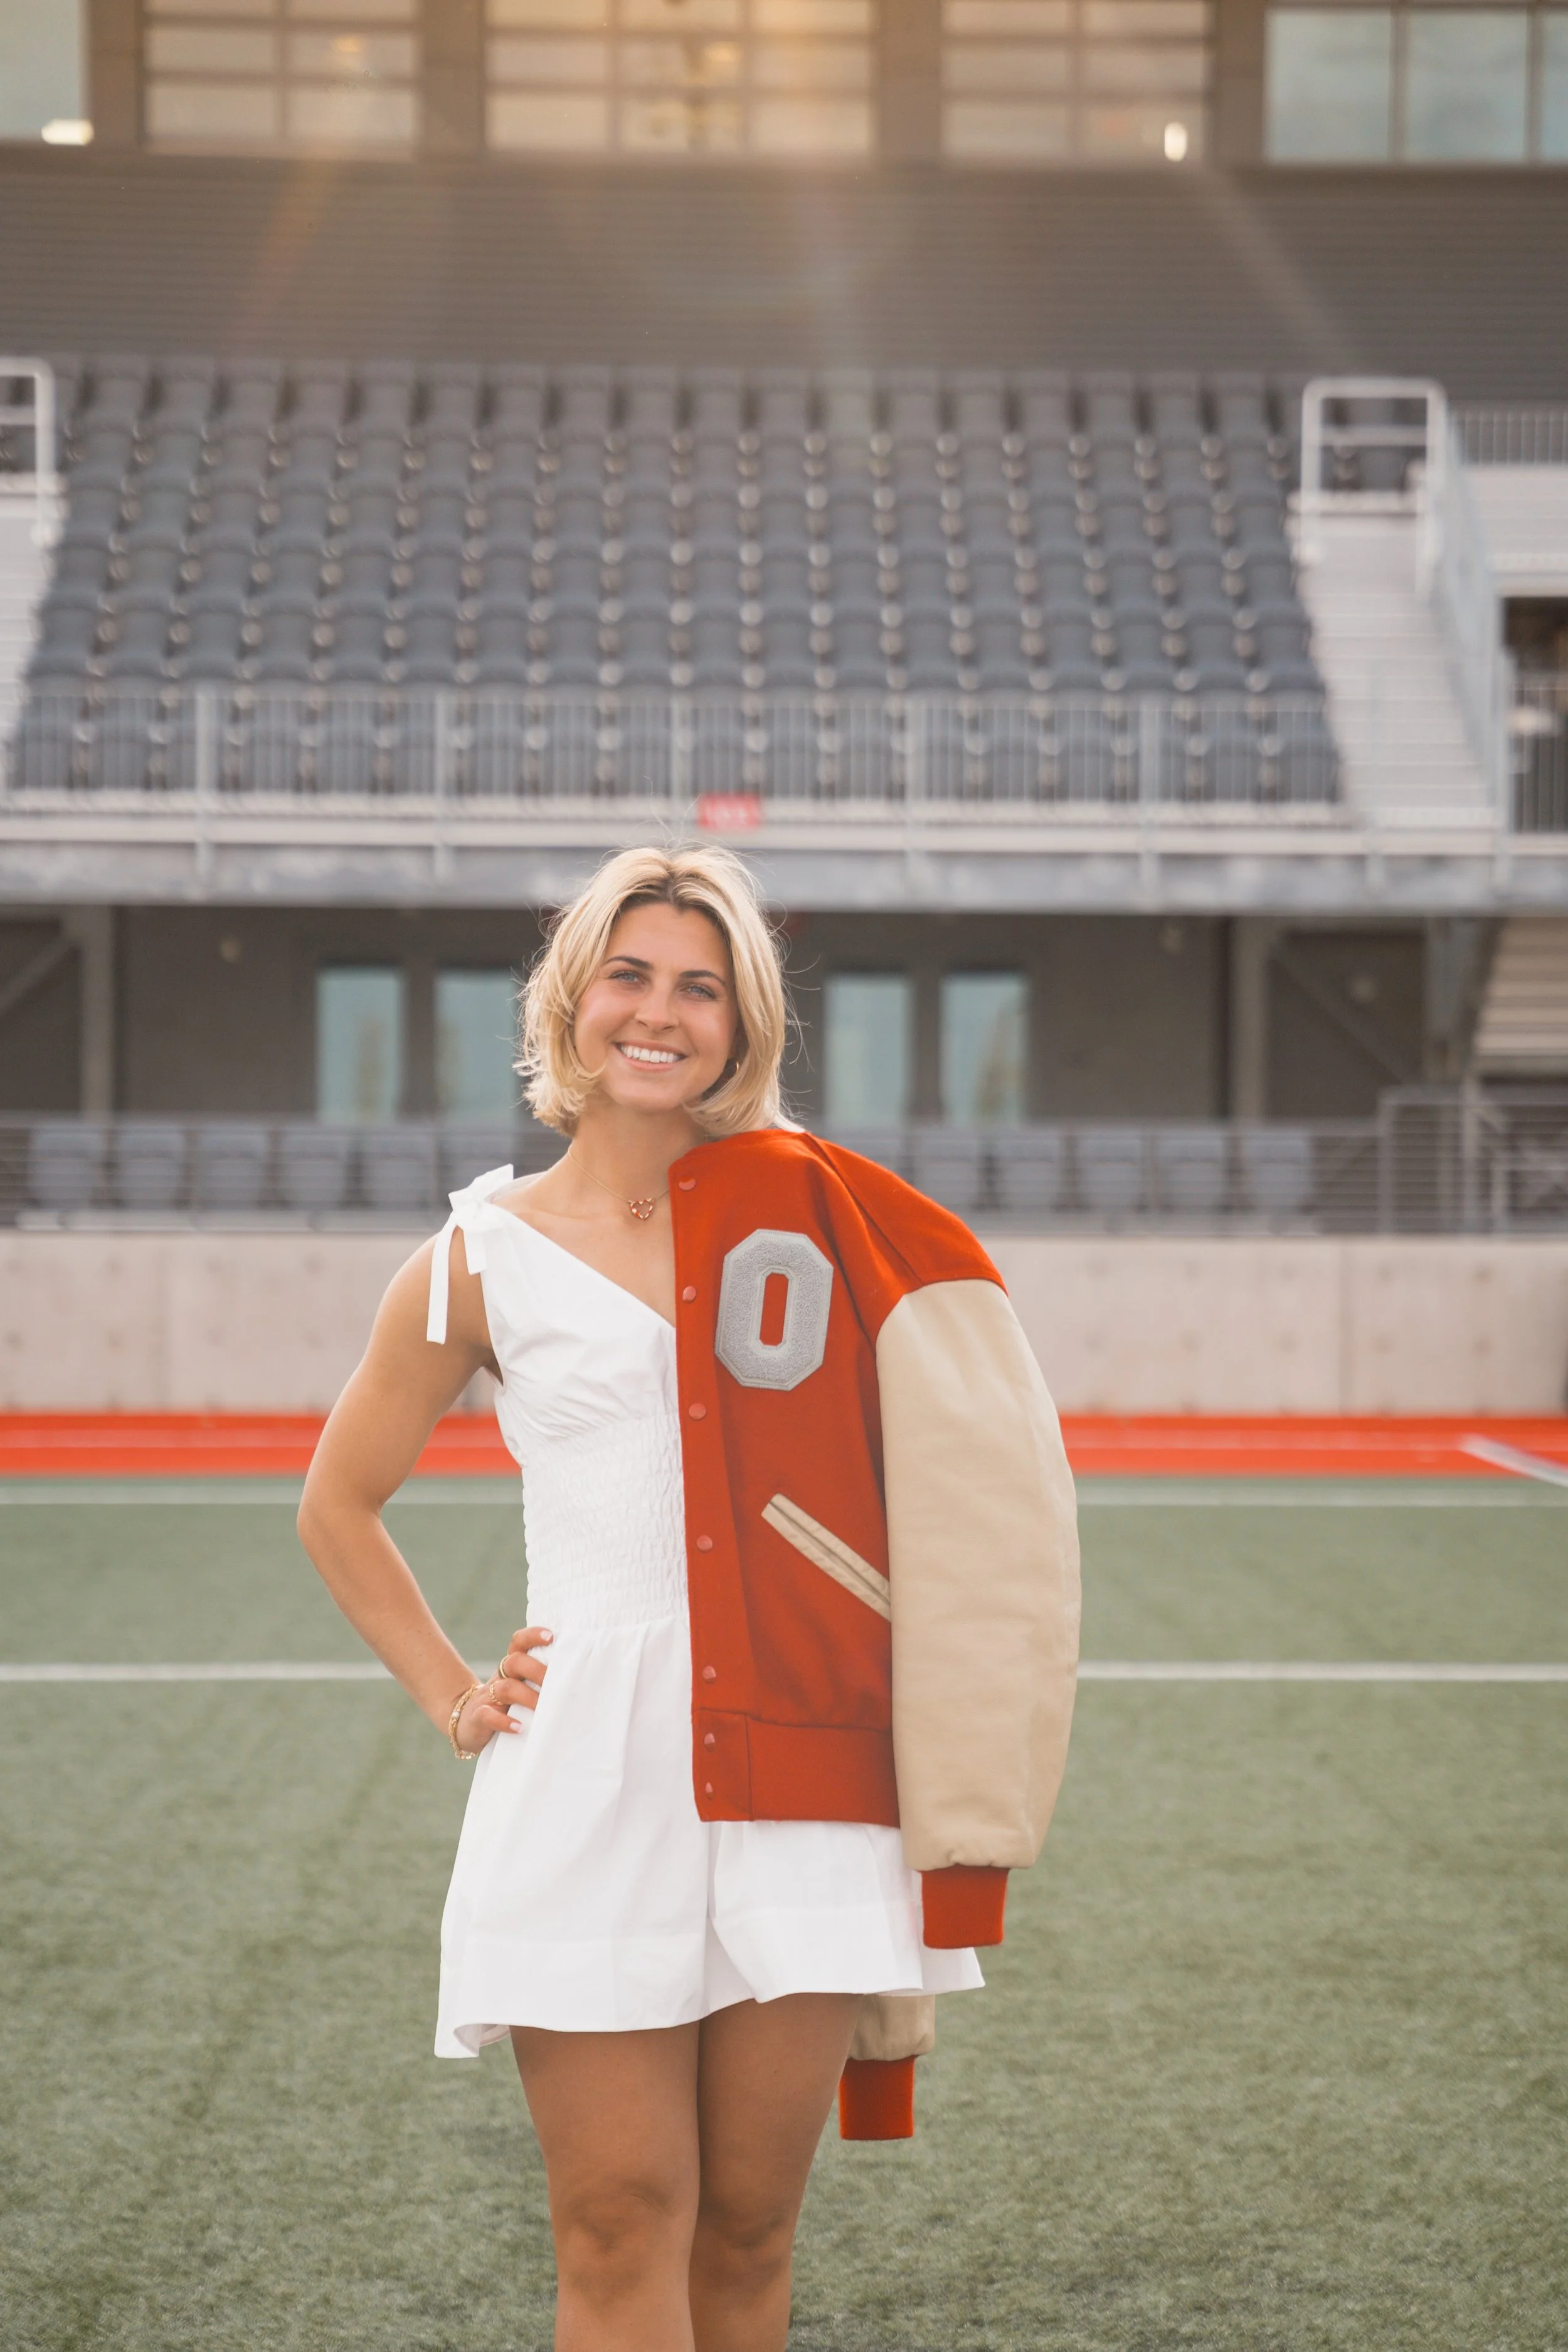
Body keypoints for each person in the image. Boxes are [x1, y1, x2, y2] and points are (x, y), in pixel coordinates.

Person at [298, 842, 1079, 2352]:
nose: (659, 1014)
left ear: (745, 1024)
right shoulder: (476, 1259)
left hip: (796, 1758)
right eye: (630, 977)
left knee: (745, 2228)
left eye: (700, 989)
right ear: (571, 998)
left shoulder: (827, 1222)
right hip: (587, 1764)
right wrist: (458, 1694)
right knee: (614, 2222)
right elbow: (337, 1501)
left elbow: (965, 1468)